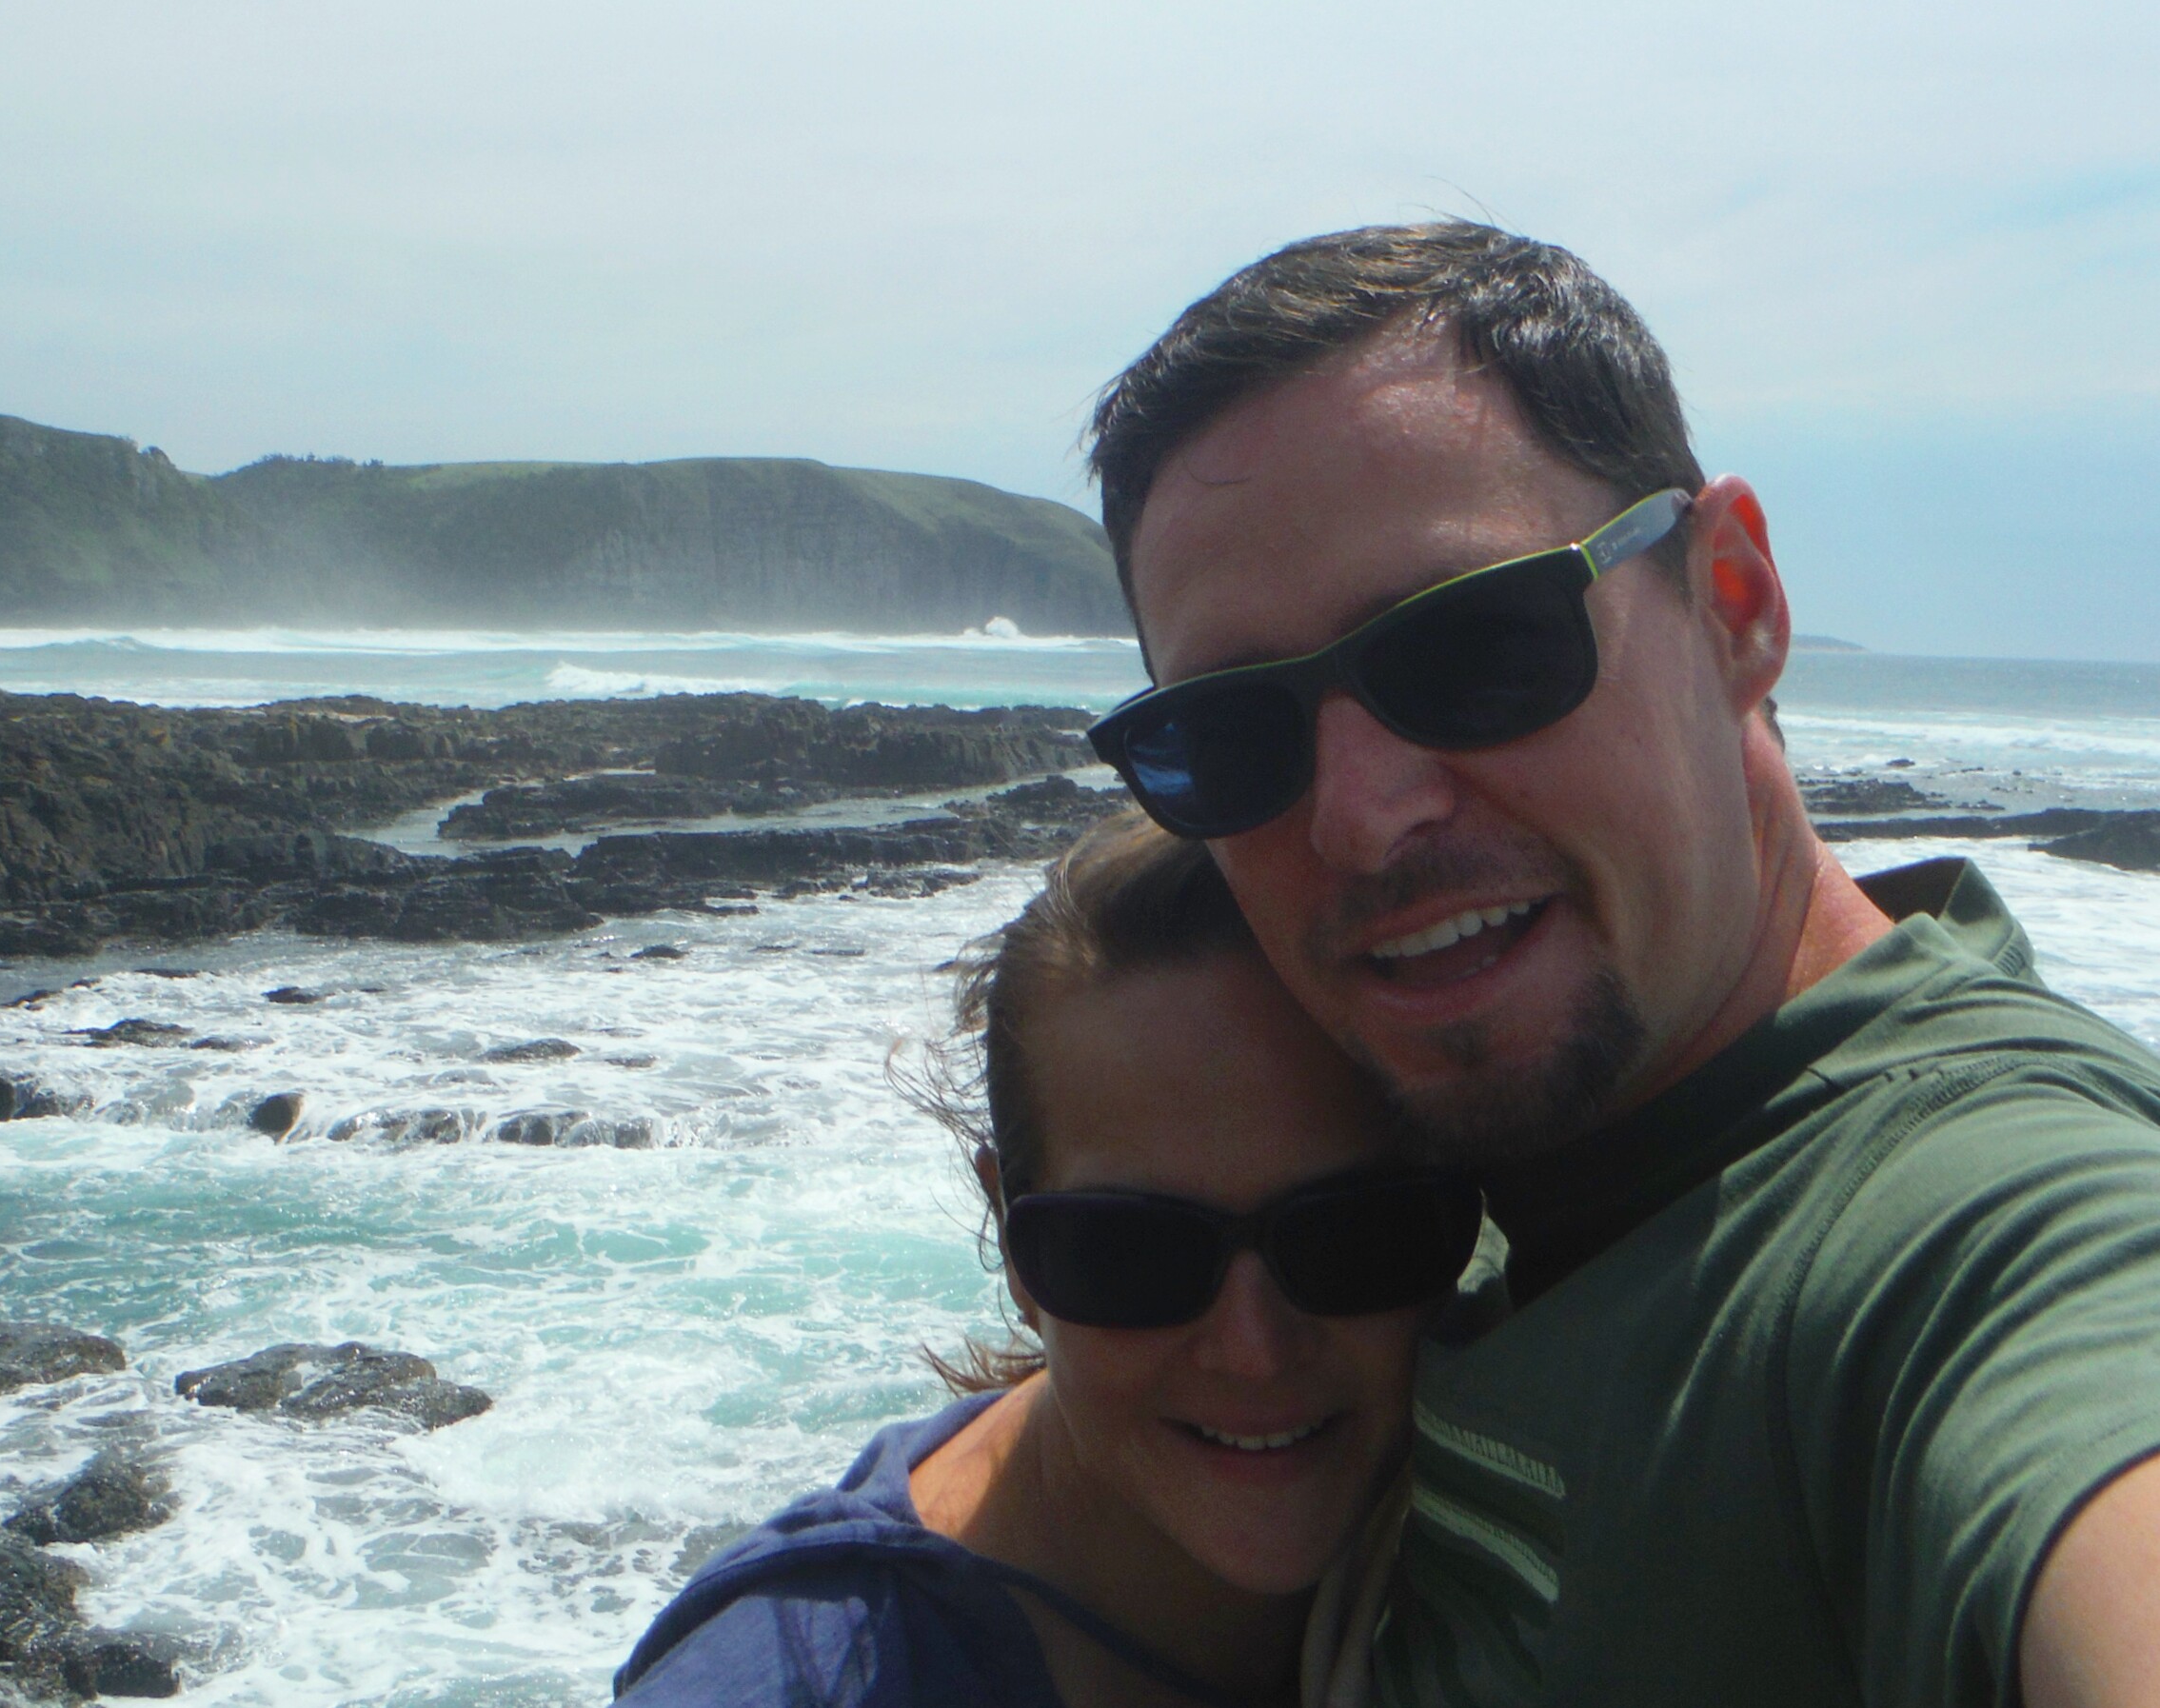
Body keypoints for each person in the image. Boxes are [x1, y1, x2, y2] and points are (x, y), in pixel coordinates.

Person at [1081, 220, 2160, 1708]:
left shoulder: (1977, 1230)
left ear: (1731, 603)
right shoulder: (1458, 1190)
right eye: (1225, 733)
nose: (1358, 816)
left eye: (1468, 647)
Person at [614, 809, 1489, 1707]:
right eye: (1133, 1252)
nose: (1254, 1350)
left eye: (1352, 1235)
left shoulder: (1519, 1540)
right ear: (1010, 1235)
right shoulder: (801, 1680)